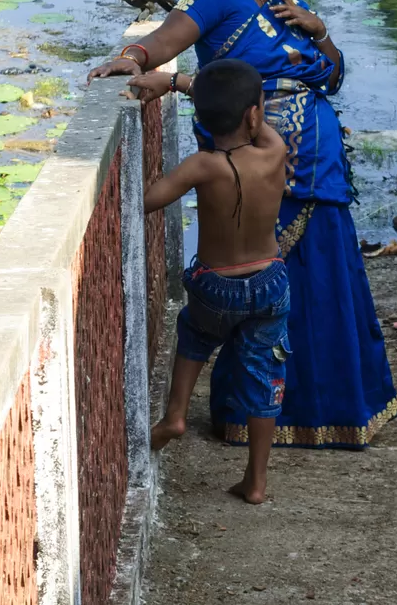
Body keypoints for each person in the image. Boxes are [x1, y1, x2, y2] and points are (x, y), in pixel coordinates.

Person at [89, 0, 397, 449]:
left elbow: (330, 77)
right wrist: (135, 60)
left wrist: (319, 27)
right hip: (257, 172)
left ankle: (332, 410)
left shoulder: (289, 3)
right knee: (262, 287)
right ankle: (256, 418)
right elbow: (168, 39)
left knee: (319, 284)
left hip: (315, 168)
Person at [144, 59, 288, 504]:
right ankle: (256, 481)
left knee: (193, 334)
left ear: (202, 119)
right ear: (254, 114)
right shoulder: (275, 152)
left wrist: (179, 87)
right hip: (269, 282)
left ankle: (175, 416)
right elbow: (258, 123)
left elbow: (148, 200)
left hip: (216, 286)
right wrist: (189, 85)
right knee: (263, 374)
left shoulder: (202, 166)